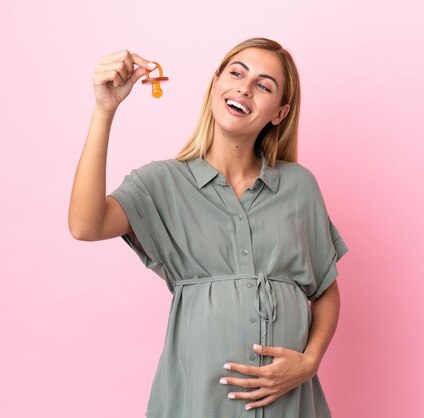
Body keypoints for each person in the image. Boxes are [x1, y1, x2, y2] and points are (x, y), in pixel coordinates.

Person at [68, 37, 349, 418]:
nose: (244, 88)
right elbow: (86, 225)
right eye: (236, 73)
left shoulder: (299, 187)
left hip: (291, 404)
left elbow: (326, 290)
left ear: (279, 113)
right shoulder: (162, 183)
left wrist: (310, 361)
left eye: (264, 85)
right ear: (215, 83)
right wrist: (104, 110)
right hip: (198, 402)